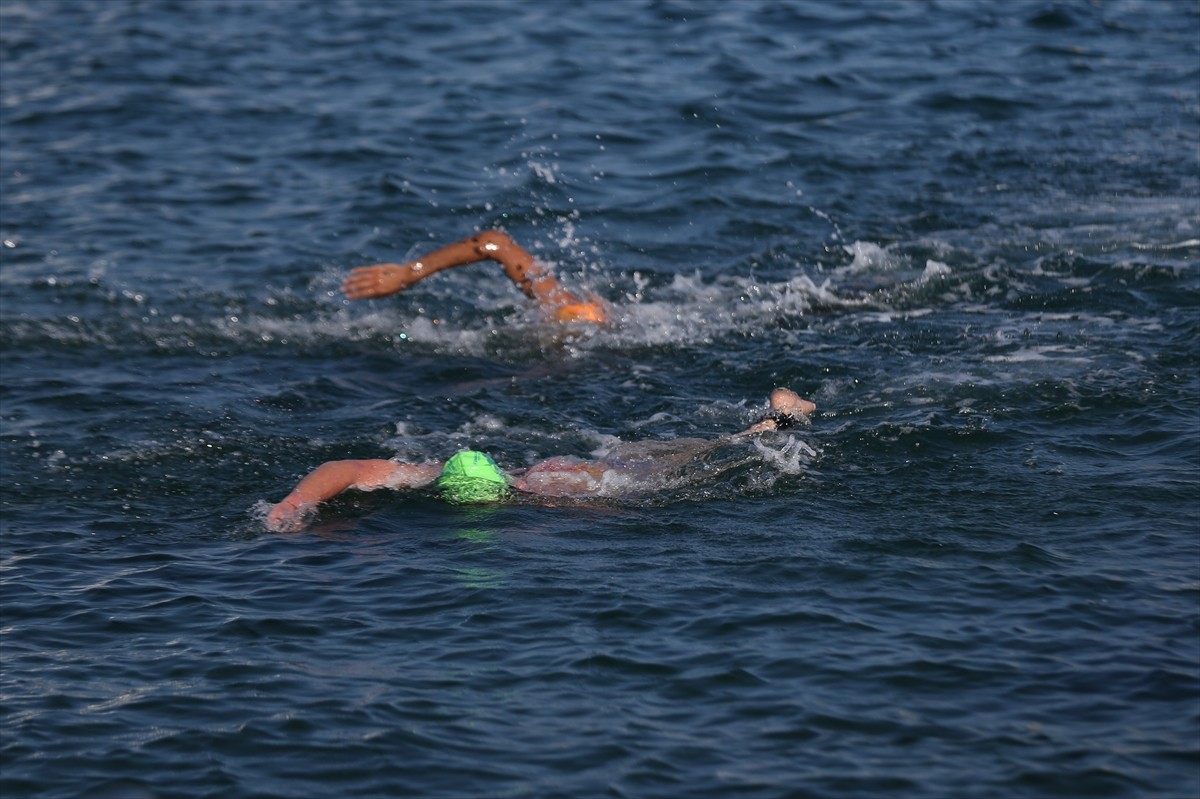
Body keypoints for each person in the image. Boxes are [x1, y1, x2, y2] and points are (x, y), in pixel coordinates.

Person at [266, 388, 816, 532]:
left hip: (611, 479)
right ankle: (771, 421)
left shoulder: (551, 500)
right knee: (697, 451)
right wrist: (297, 500)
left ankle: (776, 421)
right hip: (591, 470)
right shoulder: (441, 476)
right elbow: (352, 469)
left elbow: (353, 469)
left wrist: (299, 501)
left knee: (693, 458)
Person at [342, 229, 611, 324]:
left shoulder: (562, 309)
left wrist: (410, 274)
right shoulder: (560, 304)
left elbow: (493, 242)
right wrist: (409, 273)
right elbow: (493, 242)